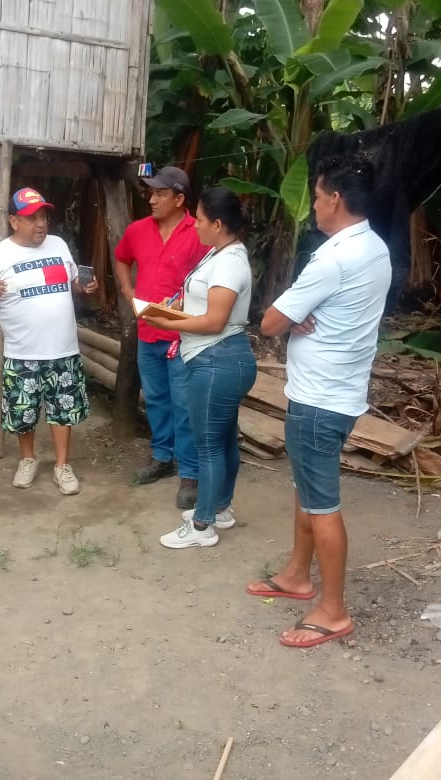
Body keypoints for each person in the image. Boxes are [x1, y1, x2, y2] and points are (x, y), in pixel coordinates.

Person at [244, 156, 391, 647]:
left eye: (318, 196)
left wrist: (291, 315)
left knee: (322, 503)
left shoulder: (332, 259)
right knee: (307, 489)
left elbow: (270, 322)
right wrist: (300, 313)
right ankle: (295, 574)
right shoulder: (375, 247)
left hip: (318, 399)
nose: (313, 206)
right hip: (342, 392)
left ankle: (333, 610)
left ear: (335, 199)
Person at [142, 187, 257, 549]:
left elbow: (214, 321)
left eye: (201, 220)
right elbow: (201, 305)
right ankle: (219, 508)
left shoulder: (229, 263)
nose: (195, 226)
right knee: (223, 440)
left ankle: (202, 525)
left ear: (218, 224)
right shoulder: (219, 253)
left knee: (208, 445)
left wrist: (165, 322)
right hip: (220, 359)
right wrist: (173, 307)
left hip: (216, 359)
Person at [0, 187, 98, 495]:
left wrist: (84, 287)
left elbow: (72, 283)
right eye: (31, 218)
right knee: (23, 411)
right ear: (14, 221)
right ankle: (27, 459)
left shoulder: (58, 245)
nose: (41, 224)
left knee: (62, 409)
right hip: (21, 351)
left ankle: (62, 465)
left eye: (43, 217)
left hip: (63, 347)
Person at [115, 166, 211, 509]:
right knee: (155, 398)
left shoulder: (198, 232)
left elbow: (215, 275)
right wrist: (127, 289)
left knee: (184, 403)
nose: (152, 199)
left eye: (160, 194)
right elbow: (121, 258)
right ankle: (161, 456)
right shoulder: (138, 230)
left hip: (183, 336)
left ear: (179, 199)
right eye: (150, 193)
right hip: (148, 332)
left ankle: (190, 471)